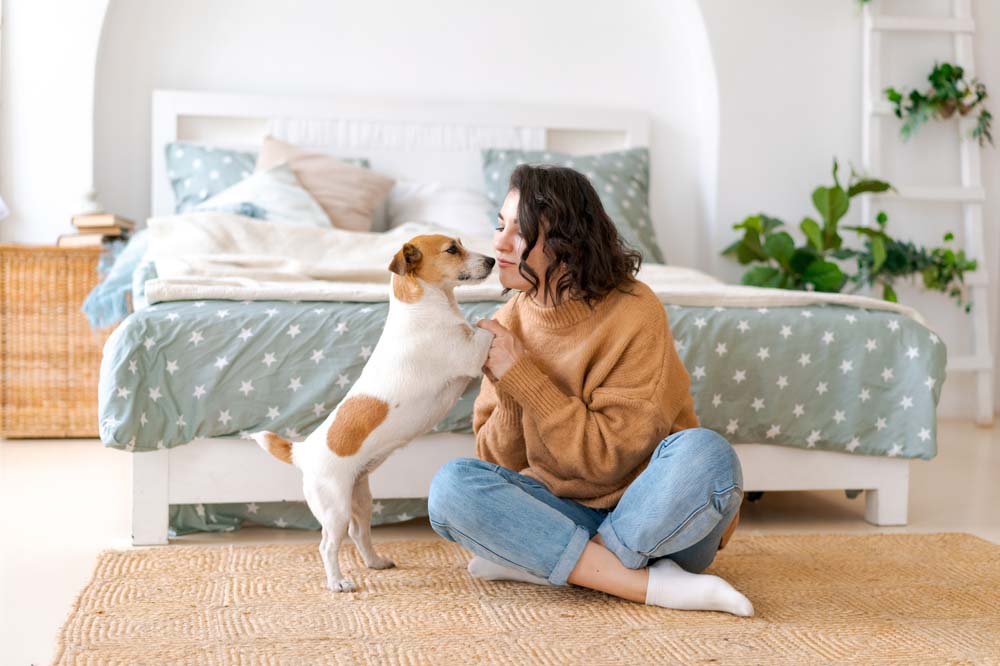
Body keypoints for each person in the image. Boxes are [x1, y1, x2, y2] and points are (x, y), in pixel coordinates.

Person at [427, 164, 752, 616]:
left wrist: (523, 376)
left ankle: (555, 562)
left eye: (520, 232)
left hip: (661, 516)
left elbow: (608, 460)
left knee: (708, 455)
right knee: (451, 487)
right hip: (564, 511)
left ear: (567, 242)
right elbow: (500, 466)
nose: (499, 243)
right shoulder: (507, 322)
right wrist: (508, 389)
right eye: (500, 226)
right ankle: (650, 585)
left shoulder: (635, 310)